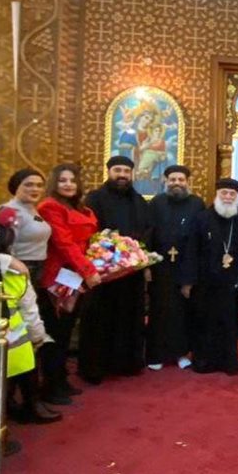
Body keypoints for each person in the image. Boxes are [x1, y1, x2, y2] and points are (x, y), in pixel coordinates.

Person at [0, 168, 60, 423]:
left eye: (39, 185)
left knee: (30, 339)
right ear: (15, 186)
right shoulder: (8, 212)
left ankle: (21, 401)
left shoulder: (34, 209)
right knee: (23, 339)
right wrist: (15, 269)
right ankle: (23, 403)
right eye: (28, 184)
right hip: (18, 275)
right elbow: (1, 247)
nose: (34, 189)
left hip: (36, 273)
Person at [81, 156, 152, 380]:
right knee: (100, 318)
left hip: (131, 272)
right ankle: (96, 367)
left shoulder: (139, 201)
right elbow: (89, 231)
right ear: (109, 172)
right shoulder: (94, 199)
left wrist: (136, 254)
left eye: (126, 171)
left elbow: (147, 230)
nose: (122, 175)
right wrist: (109, 254)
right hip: (103, 272)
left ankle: (126, 364)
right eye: (117, 170)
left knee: (128, 317)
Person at [38, 163, 100, 401]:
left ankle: (61, 379)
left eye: (72, 180)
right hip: (59, 275)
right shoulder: (49, 206)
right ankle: (50, 385)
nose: (68, 184)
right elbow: (64, 243)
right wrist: (88, 270)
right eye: (63, 180)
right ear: (54, 183)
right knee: (55, 331)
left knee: (65, 330)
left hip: (76, 276)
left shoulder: (81, 208)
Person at [145, 164, 205, 370]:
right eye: (172, 180)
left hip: (186, 266)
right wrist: (147, 266)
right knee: (159, 311)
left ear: (187, 182)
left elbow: (199, 239)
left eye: (181, 179)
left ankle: (180, 353)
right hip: (160, 267)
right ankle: (156, 355)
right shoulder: (156, 203)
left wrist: (192, 275)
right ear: (166, 181)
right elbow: (148, 234)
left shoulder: (197, 204)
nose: (176, 183)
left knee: (183, 312)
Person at [188, 179, 238, 375]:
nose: (228, 197)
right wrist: (189, 280)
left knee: (230, 323)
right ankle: (204, 362)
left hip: (232, 283)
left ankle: (228, 362)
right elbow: (192, 250)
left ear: (237, 196)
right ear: (217, 195)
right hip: (205, 282)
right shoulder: (202, 218)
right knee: (205, 322)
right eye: (224, 193)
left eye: (232, 194)